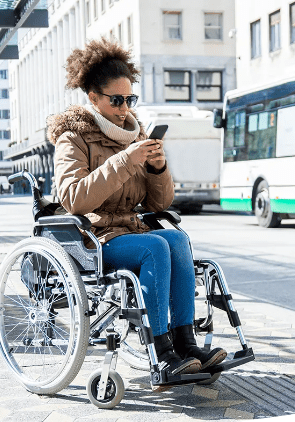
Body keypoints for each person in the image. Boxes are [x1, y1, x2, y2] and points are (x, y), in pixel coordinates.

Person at [47, 38, 226, 380]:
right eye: (116, 100)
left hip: (131, 231)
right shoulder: (73, 139)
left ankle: (185, 343)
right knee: (157, 247)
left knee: (176, 240)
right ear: (93, 98)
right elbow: (74, 198)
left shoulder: (136, 136)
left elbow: (159, 204)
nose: (125, 107)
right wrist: (125, 161)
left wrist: (158, 167)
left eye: (130, 99)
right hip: (94, 236)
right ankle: (160, 352)